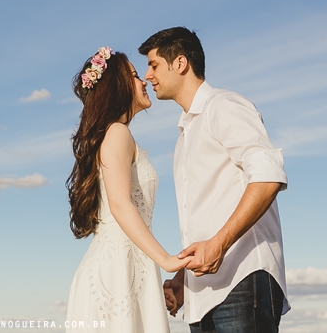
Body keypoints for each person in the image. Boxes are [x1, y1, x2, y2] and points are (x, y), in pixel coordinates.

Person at [139, 27, 289, 333]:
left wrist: (219, 244)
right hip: (202, 292)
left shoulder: (224, 106)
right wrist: (183, 279)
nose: (147, 76)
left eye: (153, 65)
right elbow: (205, 212)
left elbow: (268, 175)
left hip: (242, 279)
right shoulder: (185, 132)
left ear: (180, 63)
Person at [66, 47, 190, 332]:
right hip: (113, 271)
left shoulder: (115, 135)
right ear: (118, 86)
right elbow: (121, 205)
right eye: (135, 76)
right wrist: (167, 260)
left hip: (126, 267)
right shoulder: (117, 133)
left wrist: (150, 286)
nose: (144, 80)